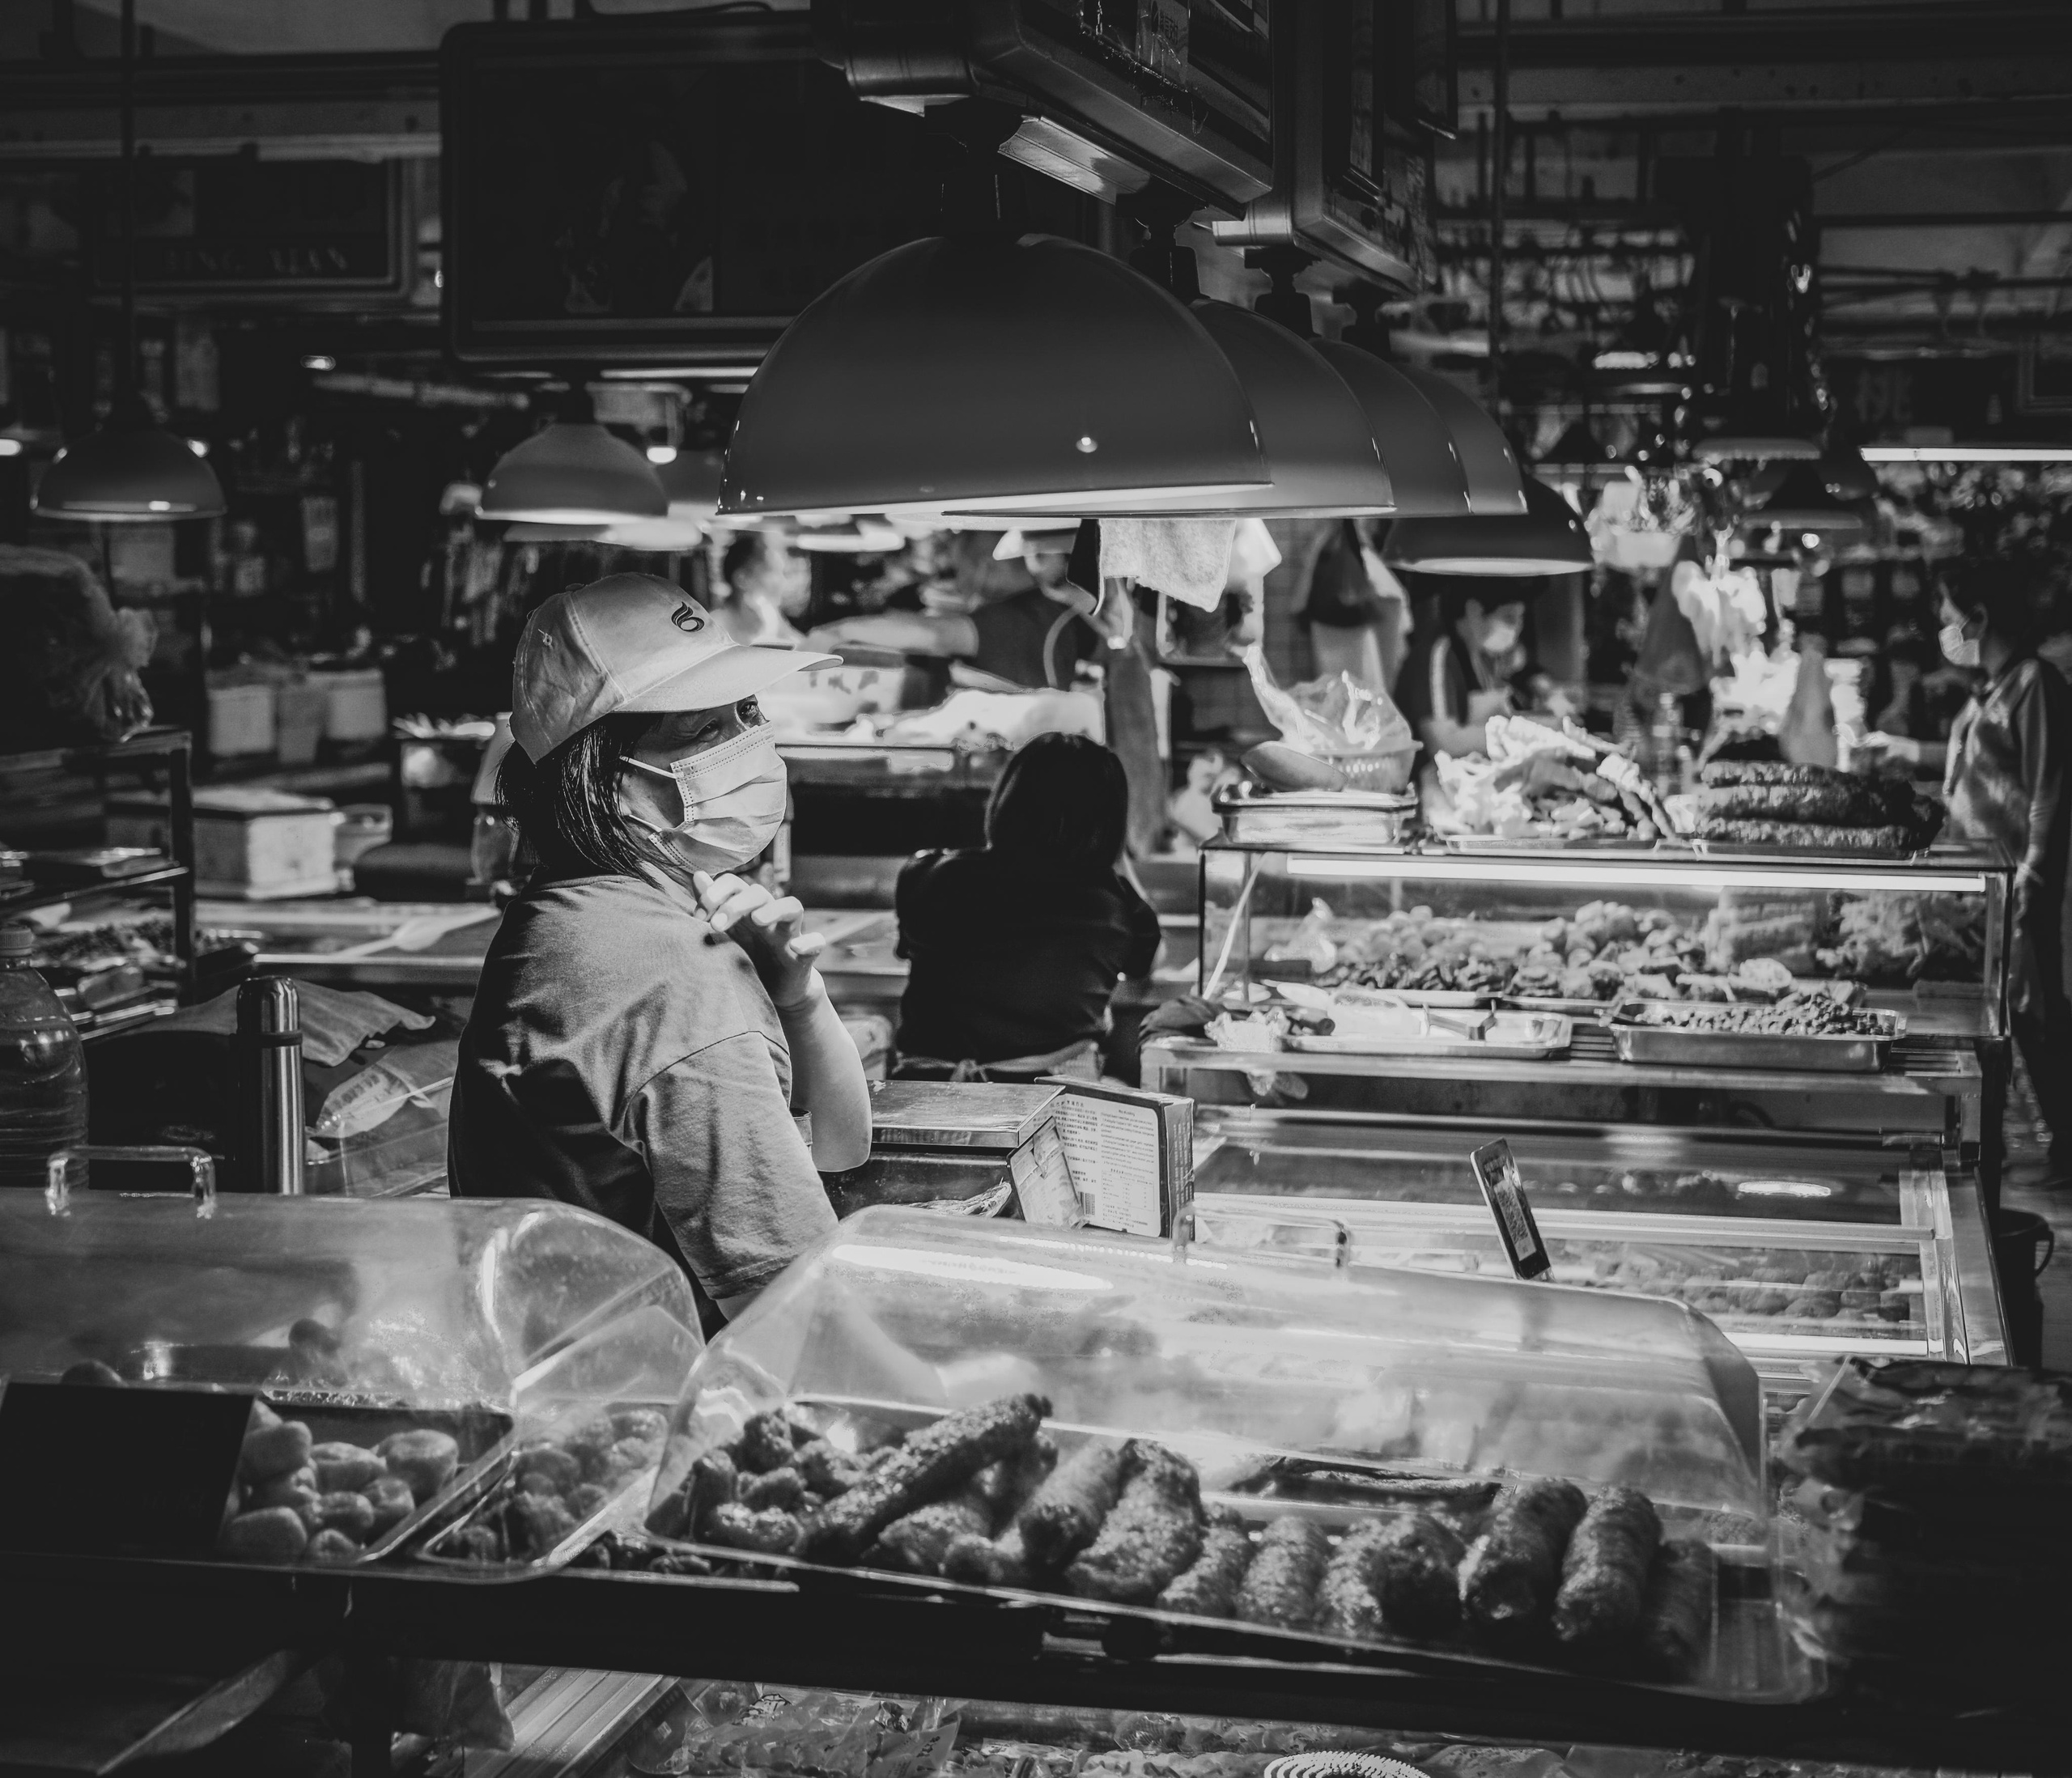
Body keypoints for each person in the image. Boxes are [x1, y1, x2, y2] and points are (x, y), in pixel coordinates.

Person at [450, 572, 873, 1328]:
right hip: (658, 1401)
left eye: (746, 712)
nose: (750, 742)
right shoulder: (665, 971)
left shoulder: (574, 912)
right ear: (604, 778)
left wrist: (797, 996)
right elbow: (797, 1322)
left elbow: (838, 1145)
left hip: (576, 1383)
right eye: (705, 730)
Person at [1859, 564, 2072, 1186]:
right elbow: (1980, 772)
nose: (1946, 631)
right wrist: (1912, 755)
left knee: (2034, 1017)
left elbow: (2047, 793)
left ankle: (2064, 1150)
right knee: (2009, 1017)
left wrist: (2032, 879)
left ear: (1980, 617)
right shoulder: (1994, 687)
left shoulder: (2036, 684)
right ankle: (2015, 1148)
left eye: (1951, 618)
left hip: (2019, 890)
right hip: (1984, 894)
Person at [893, 732, 1161, 1078]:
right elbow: (1150, 961)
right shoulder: (1114, 903)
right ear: (1110, 824)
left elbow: (910, 951)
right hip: (1049, 1105)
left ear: (1006, 799)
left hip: (921, 1100)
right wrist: (1115, 858)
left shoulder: (928, 875)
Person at [809, 525, 1113, 691]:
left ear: (987, 566)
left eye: (962, 570)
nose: (967, 587)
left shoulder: (1027, 624)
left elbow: (937, 637)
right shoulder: (1054, 604)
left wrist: (838, 630)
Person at [1394, 585, 1531, 767]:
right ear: (1475, 610)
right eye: (1509, 618)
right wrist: (1526, 736)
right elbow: (1442, 741)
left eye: (1520, 619)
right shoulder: (1437, 653)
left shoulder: (1481, 657)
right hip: (1429, 783)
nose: (1516, 629)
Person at [714, 531, 812, 647]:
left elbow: (802, 646)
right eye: (772, 572)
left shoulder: (769, 614)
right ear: (742, 579)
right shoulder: (715, 628)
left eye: (783, 573)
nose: (782, 582)